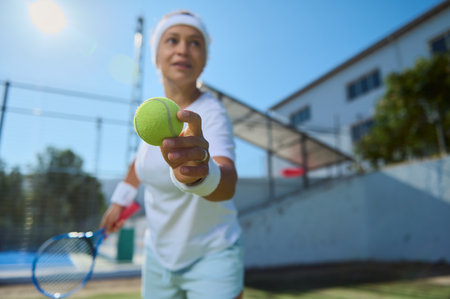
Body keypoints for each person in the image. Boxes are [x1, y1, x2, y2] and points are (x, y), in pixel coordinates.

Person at [100, 10, 244, 299]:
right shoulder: (152, 115)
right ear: (156, 56)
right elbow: (139, 164)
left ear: (204, 59)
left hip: (212, 254)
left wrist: (200, 172)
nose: (182, 49)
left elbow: (227, 183)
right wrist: (120, 201)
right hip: (158, 257)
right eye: (172, 40)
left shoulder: (212, 113)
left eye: (194, 42)